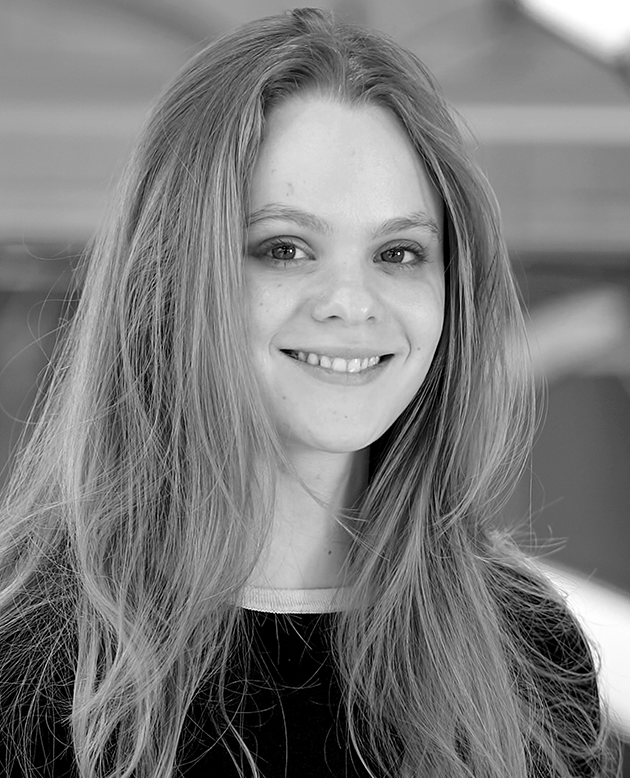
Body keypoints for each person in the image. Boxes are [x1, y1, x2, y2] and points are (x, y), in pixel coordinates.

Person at [0, 8, 618, 778]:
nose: (351, 303)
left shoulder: (527, 649)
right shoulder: (29, 666)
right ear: (173, 279)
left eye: (399, 252)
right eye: (285, 248)